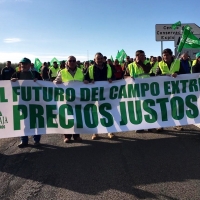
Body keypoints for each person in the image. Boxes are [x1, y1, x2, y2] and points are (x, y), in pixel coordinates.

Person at [11, 57, 42, 148]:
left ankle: (36, 140)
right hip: (22, 102)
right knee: (23, 122)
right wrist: (12, 81)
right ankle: (24, 140)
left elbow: (43, 86)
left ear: (29, 65)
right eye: (22, 64)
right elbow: (9, 87)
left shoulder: (35, 74)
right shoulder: (16, 74)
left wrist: (38, 81)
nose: (23, 65)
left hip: (34, 102)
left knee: (35, 121)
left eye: (25, 64)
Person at [84, 52, 115, 140]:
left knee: (109, 111)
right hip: (94, 94)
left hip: (106, 93)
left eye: (101, 58)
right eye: (98, 58)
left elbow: (114, 77)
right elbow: (85, 79)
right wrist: (88, 80)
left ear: (103, 59)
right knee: (95, 113)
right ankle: (95, 133)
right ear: (94, 60)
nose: (100, 60)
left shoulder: (109, 67)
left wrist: (111, 79)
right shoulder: (89, 68)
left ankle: (110, 131)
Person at [156, 48, 187, 131]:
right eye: (164, 55)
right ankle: (161, 125)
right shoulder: (160, 64)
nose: (165, 57)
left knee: (176, 106)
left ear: (171, 55)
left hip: (176, 88)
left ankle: (177, 124)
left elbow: (184, 74)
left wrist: (177, 74)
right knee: (163, 106)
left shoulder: (177, 62)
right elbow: (156, 75)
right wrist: (166, 75)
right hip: (164, 89)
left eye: (167, 55)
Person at [54, 56, 83, 143]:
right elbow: (55, 81)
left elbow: (84, 82)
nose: (72, 62)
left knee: (77, 117)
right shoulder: (62, 72)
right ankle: (67, 136)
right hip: (66, 99)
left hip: (78, 99)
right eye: (70, 61)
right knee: (67, 118)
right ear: (67, 63)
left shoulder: (80, 71)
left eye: (74, 61)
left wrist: (86, 82)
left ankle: (77, 136)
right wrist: (56, 82)